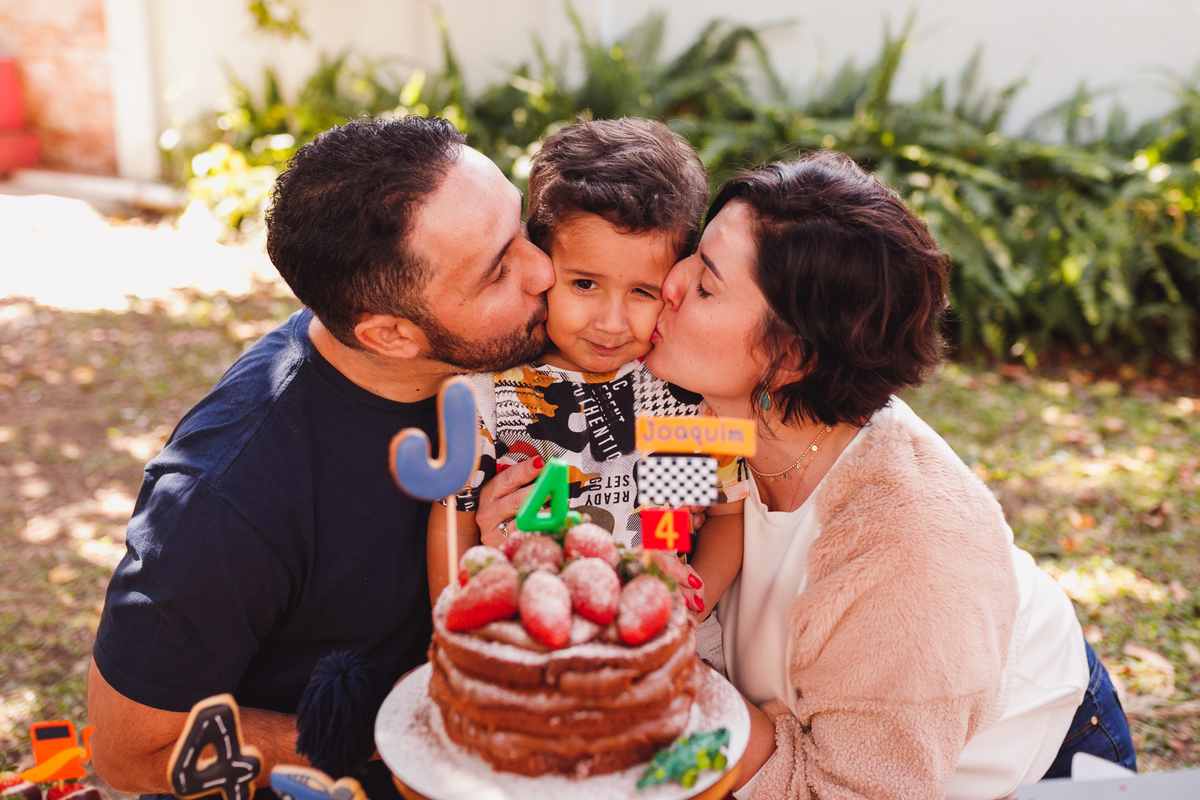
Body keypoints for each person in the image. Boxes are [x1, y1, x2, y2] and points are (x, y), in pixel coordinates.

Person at [86, 116, 556, 799]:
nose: (544, 269)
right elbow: (130, 746)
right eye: (497, 272)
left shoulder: (509, 345)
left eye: (522, 227)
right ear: (392, 333)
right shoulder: (226, 494)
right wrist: (395, 734)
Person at [645, 150, 1137, 799]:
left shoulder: (905, 552)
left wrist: (666, 687)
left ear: (791, 358)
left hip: (1030, 772)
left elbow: (843, 790)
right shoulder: (709, 412)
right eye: (694, 254)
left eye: (706, 286)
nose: (669, 284)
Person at [429, 118, 747, 654]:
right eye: (585, 284)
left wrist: (688, 601)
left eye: (643, 291)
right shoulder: (485, 396)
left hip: (666, 649)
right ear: (540, 259)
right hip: (533, 644)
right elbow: (451, 527)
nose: (611, 321)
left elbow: (726, 516)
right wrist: (459, 639)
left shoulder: (683, 394)